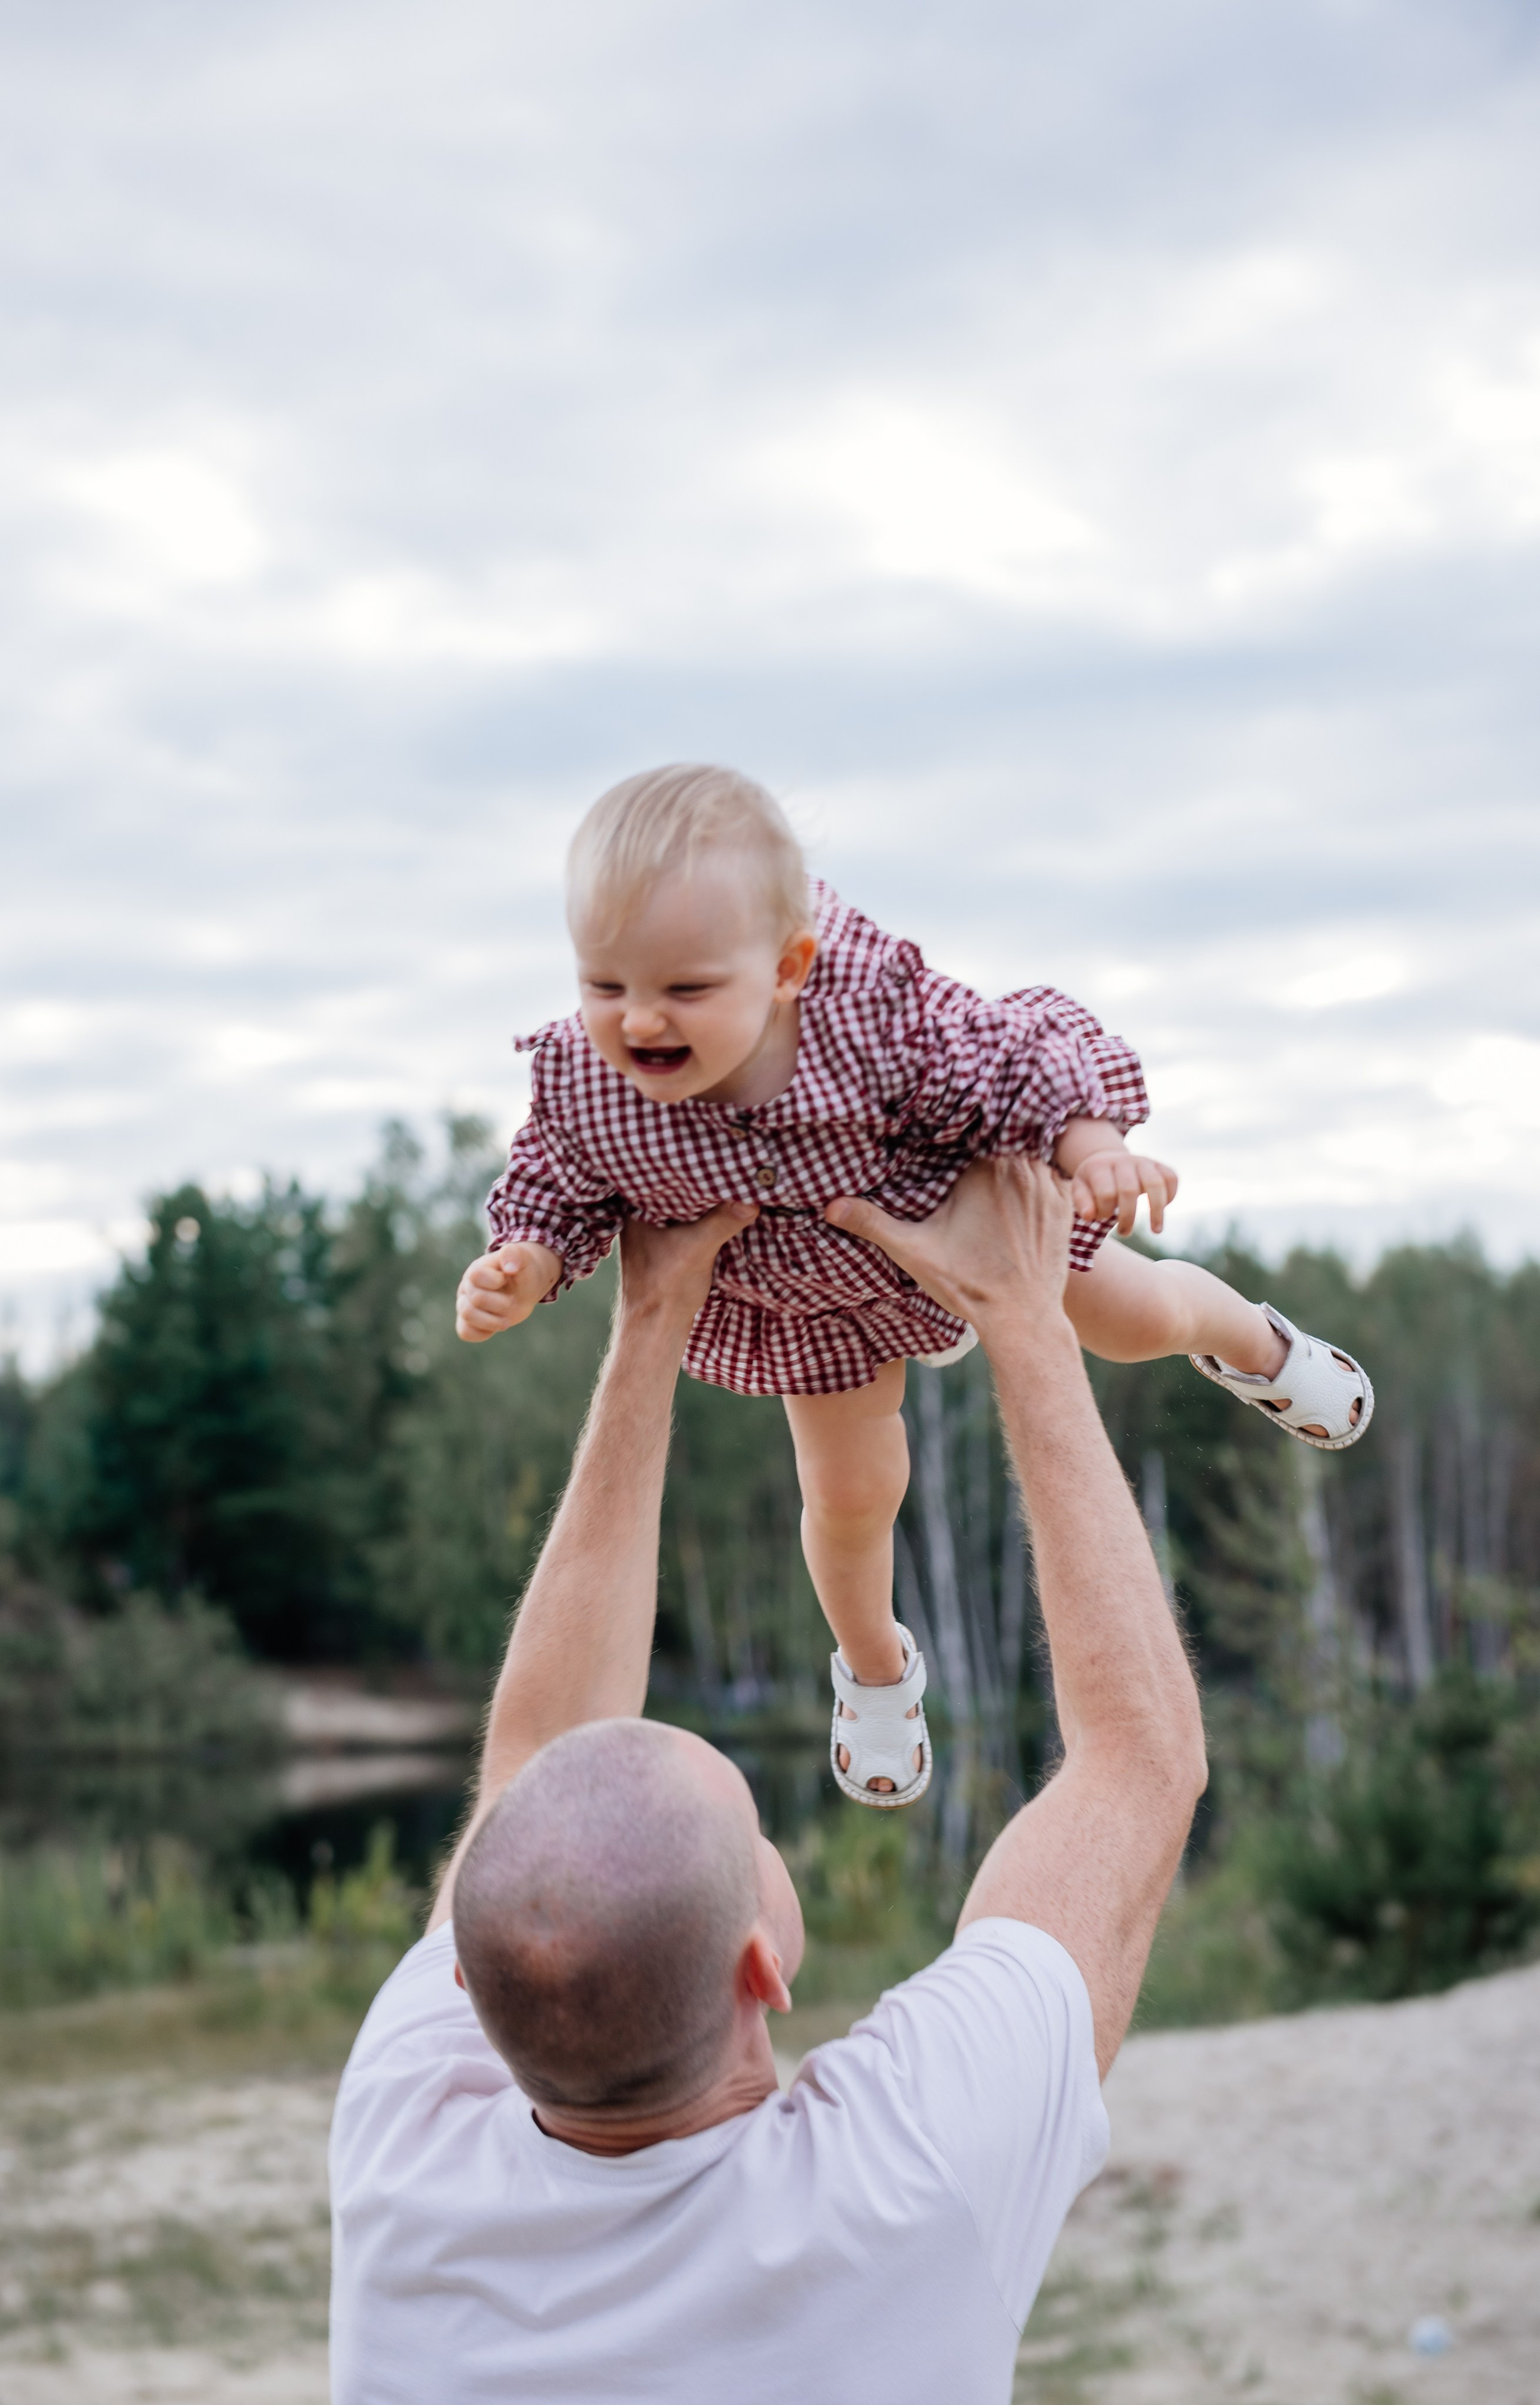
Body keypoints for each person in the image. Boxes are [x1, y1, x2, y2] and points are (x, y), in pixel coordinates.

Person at [330, 1155, 1209, 2404]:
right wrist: (1020, 1316)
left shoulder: (404, 2157)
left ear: (461, 1987)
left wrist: (654, 1319)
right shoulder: (902, 2180)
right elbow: (1138, 1763)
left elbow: (531, 1750)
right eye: (751, 1830)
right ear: (761, 1965)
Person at [455, 763, 1373, 1805]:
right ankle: (877, 1669)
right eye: (605, 986)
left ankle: (1255, 1344)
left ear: (788, 965)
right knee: (850, 1496)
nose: (641, 1022)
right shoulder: (586, 1080)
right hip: (809, 1304)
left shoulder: (875, 1013)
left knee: (1137, 1316)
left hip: (960, 1217)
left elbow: (1021, 1060)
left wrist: (1095, 1147)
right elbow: (556, 1183)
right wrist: (525, 1264)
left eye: (686, 990)